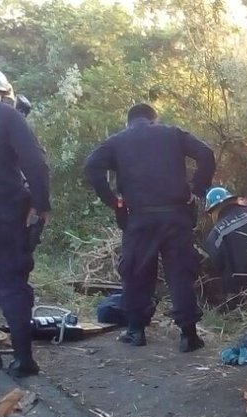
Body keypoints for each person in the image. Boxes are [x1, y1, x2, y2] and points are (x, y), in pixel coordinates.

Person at [83, 103, 215, 352]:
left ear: (128, 122)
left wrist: (113, 201)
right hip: (175, 215)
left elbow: (92, 166)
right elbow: (206, 154)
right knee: (180, 274)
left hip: (139, 218)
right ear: (154, 120)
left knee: (136, 272)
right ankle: (188, 335)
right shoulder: (172, 134)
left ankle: (135, 331)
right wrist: (196, 189)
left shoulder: (117, 141)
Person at [0, 62, 50, 378]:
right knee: (10, 285)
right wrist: (42, 204)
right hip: (3, 217)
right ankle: (23, 358)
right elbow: (34, 162)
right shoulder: (6, 116)